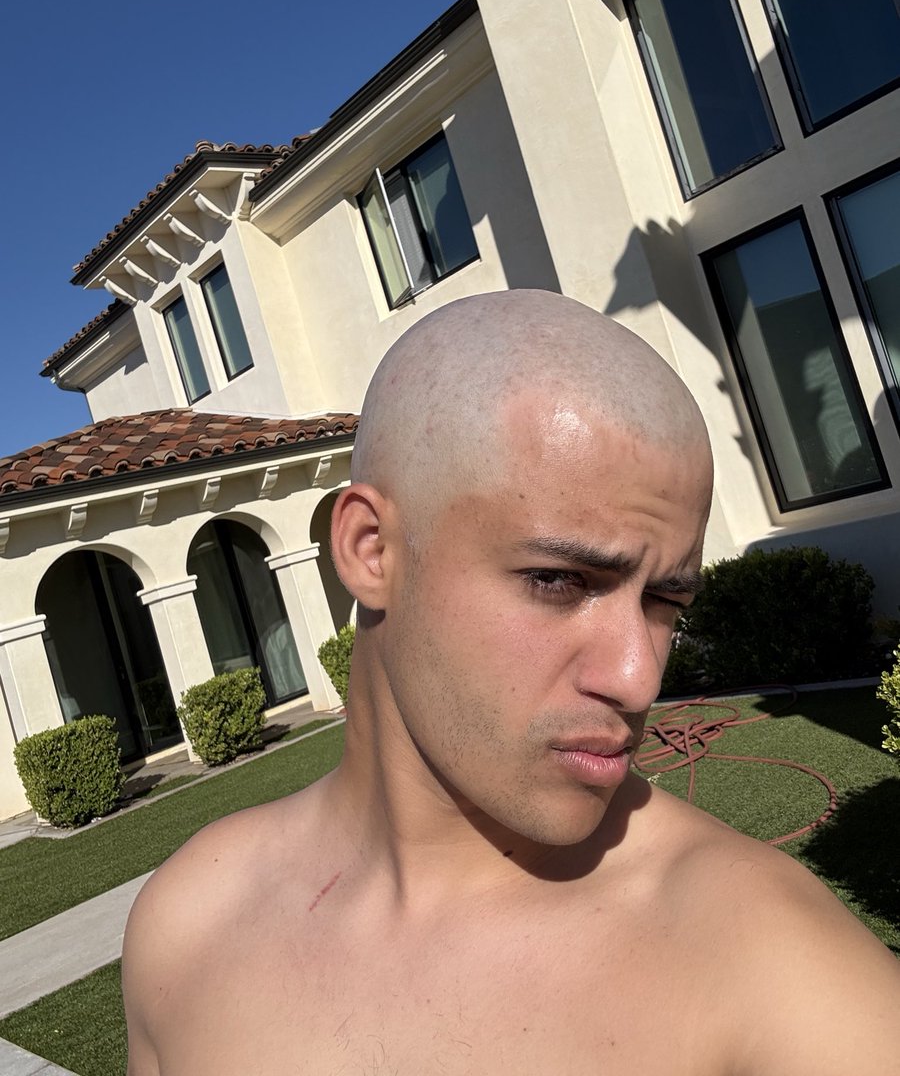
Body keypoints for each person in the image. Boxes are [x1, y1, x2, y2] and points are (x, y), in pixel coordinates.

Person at [123, 290, 900, 1075]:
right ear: (371, 550)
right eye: (559, 580)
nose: (637, 679)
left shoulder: (763, 961)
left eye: (666, 601)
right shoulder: (189, 926)